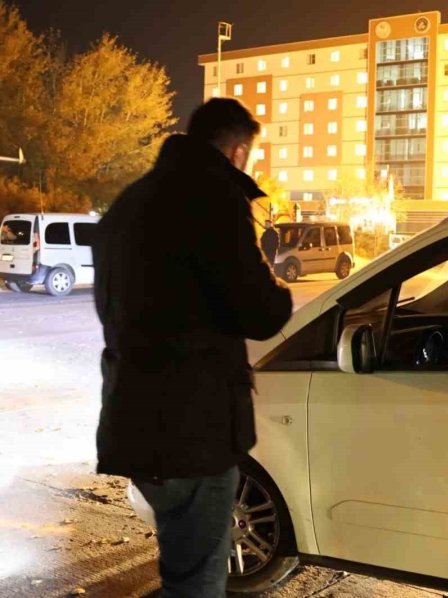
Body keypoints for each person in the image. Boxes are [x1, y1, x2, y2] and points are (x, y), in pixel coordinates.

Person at [92, 98, 293, 597]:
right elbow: (261, 312)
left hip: (135, 420)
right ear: (238, 148)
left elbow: (111, 309)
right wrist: (279, 288)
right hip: (194, 429)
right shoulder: (213, 196)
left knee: (181, 568)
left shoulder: (130, 202)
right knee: (199, 578)